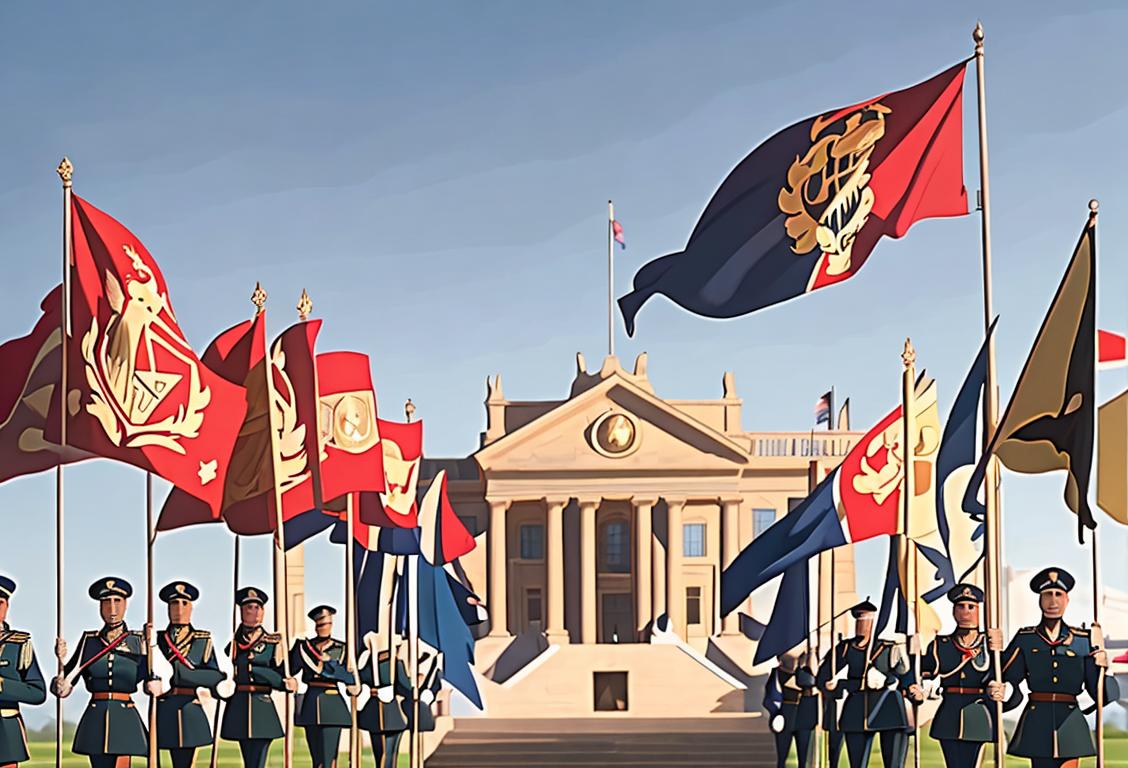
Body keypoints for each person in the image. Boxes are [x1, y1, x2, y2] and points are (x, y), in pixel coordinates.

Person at [987, 567, 1121, 768]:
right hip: (1036, 719)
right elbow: (1005, 677)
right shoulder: (1026, 639)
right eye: (1047, 594)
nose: (1053, 601)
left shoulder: (1084, 640)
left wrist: (1104, 665)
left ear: (1067, 600)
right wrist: (994, 654)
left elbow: (1103, 696)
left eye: (1058, 594)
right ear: (1039, 600)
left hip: (1070, 722)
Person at [52, 577, 155, 768]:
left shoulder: (139, 641)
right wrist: (60, 663)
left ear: (125, 604)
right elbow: (65, 686)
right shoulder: (89, 641)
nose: (112, 608)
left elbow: (153, 680)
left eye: (117, 601)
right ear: (100, 606)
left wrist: (153, 647)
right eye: (106, 602)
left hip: (125, 718)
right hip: (95, 718)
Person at [817, 600, 918, 768]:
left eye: (866, 620)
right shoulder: (845, 648)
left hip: (887, 707)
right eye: (859, 620)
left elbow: (905, 676)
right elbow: (824, 678)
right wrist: (835, 684)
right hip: (856, 709)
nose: (862, 625)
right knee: (857, 763)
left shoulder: (888, 648)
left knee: (894, 763)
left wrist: (906, 684)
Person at [914, 583, 995, 768]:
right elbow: (922, 671)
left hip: (978, 714)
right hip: (949, 714)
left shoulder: (989, 646)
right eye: (961, 607)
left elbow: (1005, 677)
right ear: (953, 611)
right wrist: (914, 653)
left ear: (978, 611)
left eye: (971, 607)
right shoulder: (941, 644)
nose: (965, 612)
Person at [219, 587, 297, 768]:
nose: (255, 612)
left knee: (260, 759)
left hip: (263, 706)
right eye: (249, 608)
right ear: (241, 612)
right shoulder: (232, 645)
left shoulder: (274, 643)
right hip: (239, 705)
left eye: (258, 607)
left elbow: (280, 677)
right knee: (247, 759)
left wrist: (287, 683)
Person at [154, 582, 225, 768]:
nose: (179, 609)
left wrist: (182, 675)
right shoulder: (156, 639)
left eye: (184, 604)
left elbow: (214, 677)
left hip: (189, 708)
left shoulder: (202, 640)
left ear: (191, 608)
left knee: (185, 762)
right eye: (174, 604)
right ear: (168, 608)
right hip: (164, 707)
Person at [290, 605, 355, 768]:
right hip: (311, 702)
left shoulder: (342, 648)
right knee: (316, 759)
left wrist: (328, 668)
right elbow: (290, 669)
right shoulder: (305, 647)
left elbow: (350, 677)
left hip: (332, 704)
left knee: (329, 760)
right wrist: (291, 650)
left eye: (327, 624)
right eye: (320, 625)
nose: (324, 628)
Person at [0, 575, 46, 768]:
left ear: (7, 606)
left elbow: (37, 692)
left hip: (5, 731)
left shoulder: (19, 644)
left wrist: (2, 686)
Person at [356, 632, 411, 768]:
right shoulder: (391, 663)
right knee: (387, 756)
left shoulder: (368, 662)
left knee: (385, 755)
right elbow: (405, 687)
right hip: (382, 712)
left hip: (384, 713)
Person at [763, 649, 818, 768]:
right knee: (782, 757)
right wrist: (775, 714)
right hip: (784, 716)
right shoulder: (776, 674)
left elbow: (812, 686)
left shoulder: (805, 673)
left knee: (804, 759)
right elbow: (769, 698)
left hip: (804, 717)